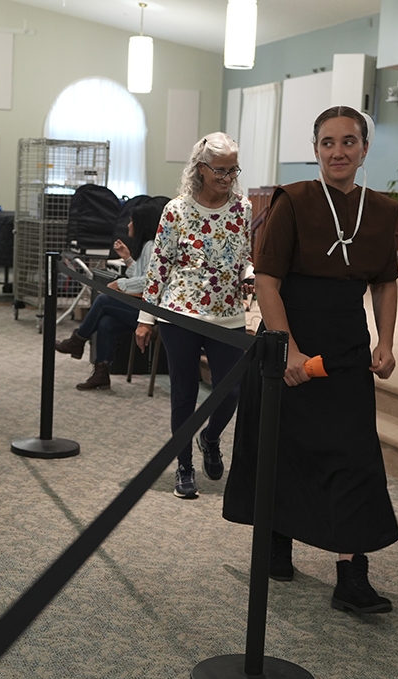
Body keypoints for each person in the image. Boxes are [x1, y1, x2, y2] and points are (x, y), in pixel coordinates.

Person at [223, 106, 398, 614]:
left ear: (364, 149)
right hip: (288, 336)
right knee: (282, 447)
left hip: (345, 343)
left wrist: (385, 342)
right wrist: (289, 350)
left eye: (348, 142)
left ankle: (352, 574)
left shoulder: (384, 210)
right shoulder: (293, 200)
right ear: (315, 149)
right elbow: (266, 282)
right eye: (327, 142)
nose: (338, 151)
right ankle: (277, 542)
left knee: (353, 455)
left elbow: (385, 282)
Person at [136, 133, 252, 500]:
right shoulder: (176, 210)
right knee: (184, 395)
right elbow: (159, 265)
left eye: (233, 169)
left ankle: (210, 437)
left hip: (228, 314)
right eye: (220, 169)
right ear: (201, 168)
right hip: (180, 315)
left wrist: (248, 273)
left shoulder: (242, 209)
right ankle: (183, 467)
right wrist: (146, 318)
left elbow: (244, 255)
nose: (227, 177)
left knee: (231, 392)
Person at [54, 200, 167, 390]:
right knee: (106, 322)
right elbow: (141, 275)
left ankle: (77, 340)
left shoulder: (151, 246)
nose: (128, 225)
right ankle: (101, 374)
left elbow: (149, 283)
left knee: (104, 300)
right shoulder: (147, 246)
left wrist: (119, 284)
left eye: (131, 222)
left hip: (153, 315)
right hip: (144, 310)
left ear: (141, 225)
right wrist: (127, 258)